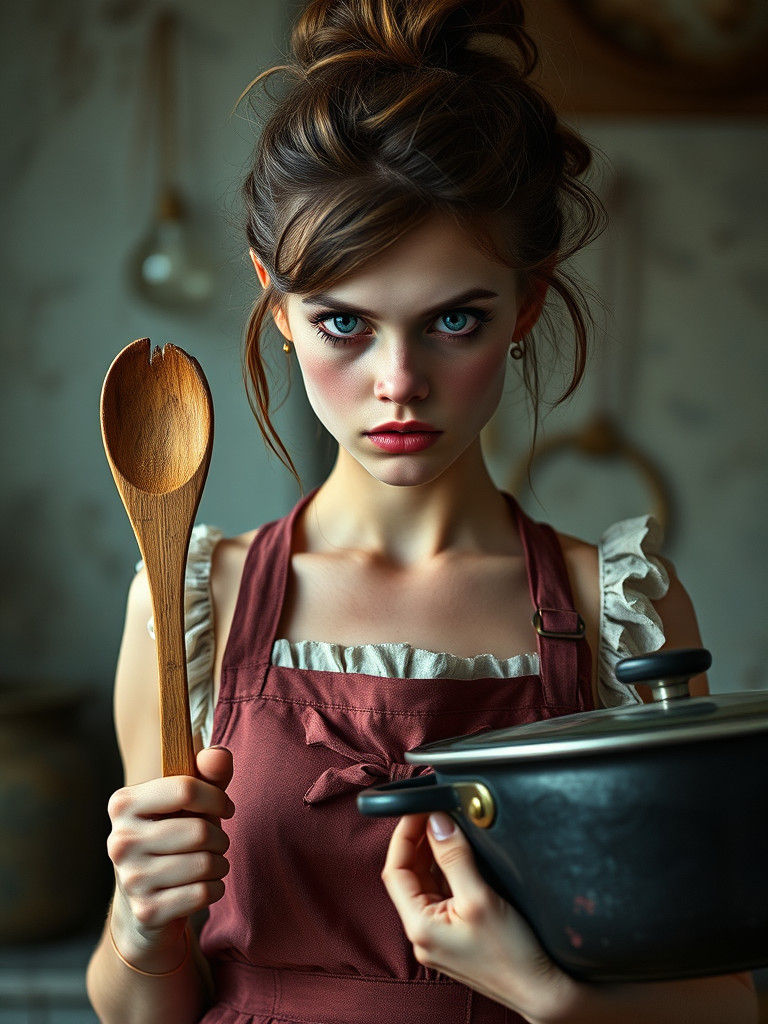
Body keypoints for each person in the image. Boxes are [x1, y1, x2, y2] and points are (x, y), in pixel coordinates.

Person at [86, 1, 759, 1022]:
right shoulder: (188, 603)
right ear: (275, 307)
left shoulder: (622, 610)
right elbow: (142, 1006)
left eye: (455, 318)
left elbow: (724, 1006)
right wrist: (139, 926)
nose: (399, 382)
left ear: (527, 302)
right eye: (343, 324)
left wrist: (543, 993)